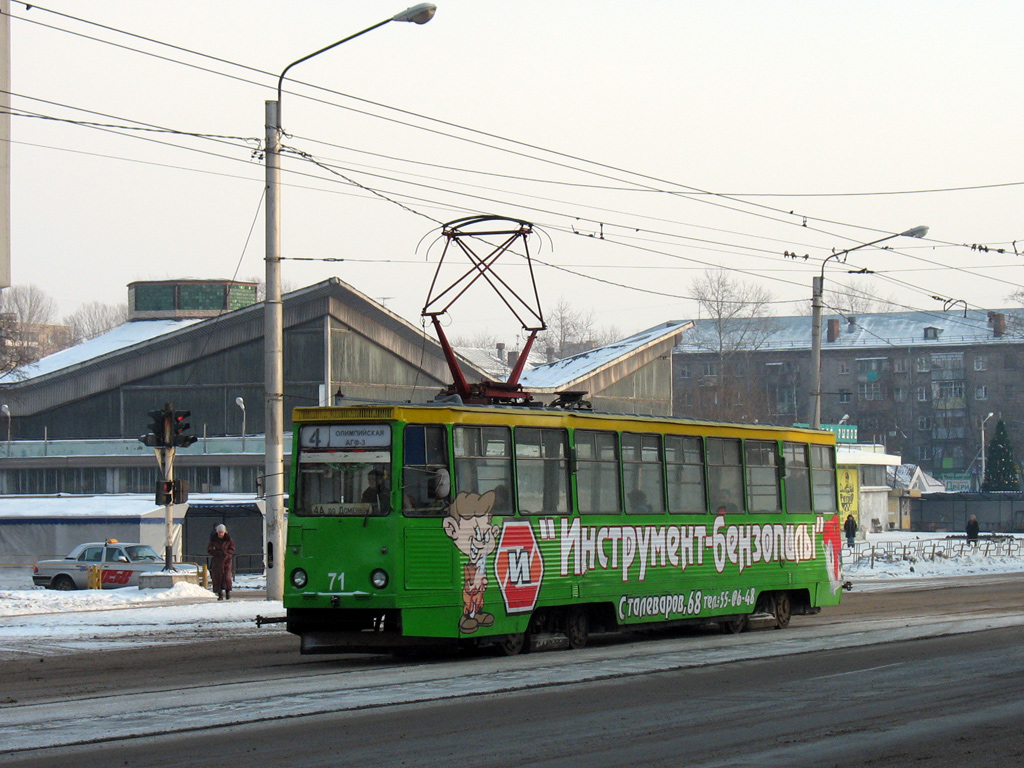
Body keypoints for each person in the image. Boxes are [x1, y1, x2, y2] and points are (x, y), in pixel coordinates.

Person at [207, 523, 235, 600]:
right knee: (217, 577)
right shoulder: (214, 540)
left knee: (226, 577)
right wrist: (217, 553)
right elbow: (210, 549)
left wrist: (226, 553)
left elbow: (232, 549)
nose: (221, 534)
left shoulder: (229, 540)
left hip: (227, 560)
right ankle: (220, 594)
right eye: (219, 532)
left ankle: (227, 592)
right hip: (217, 561)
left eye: (222, 532)